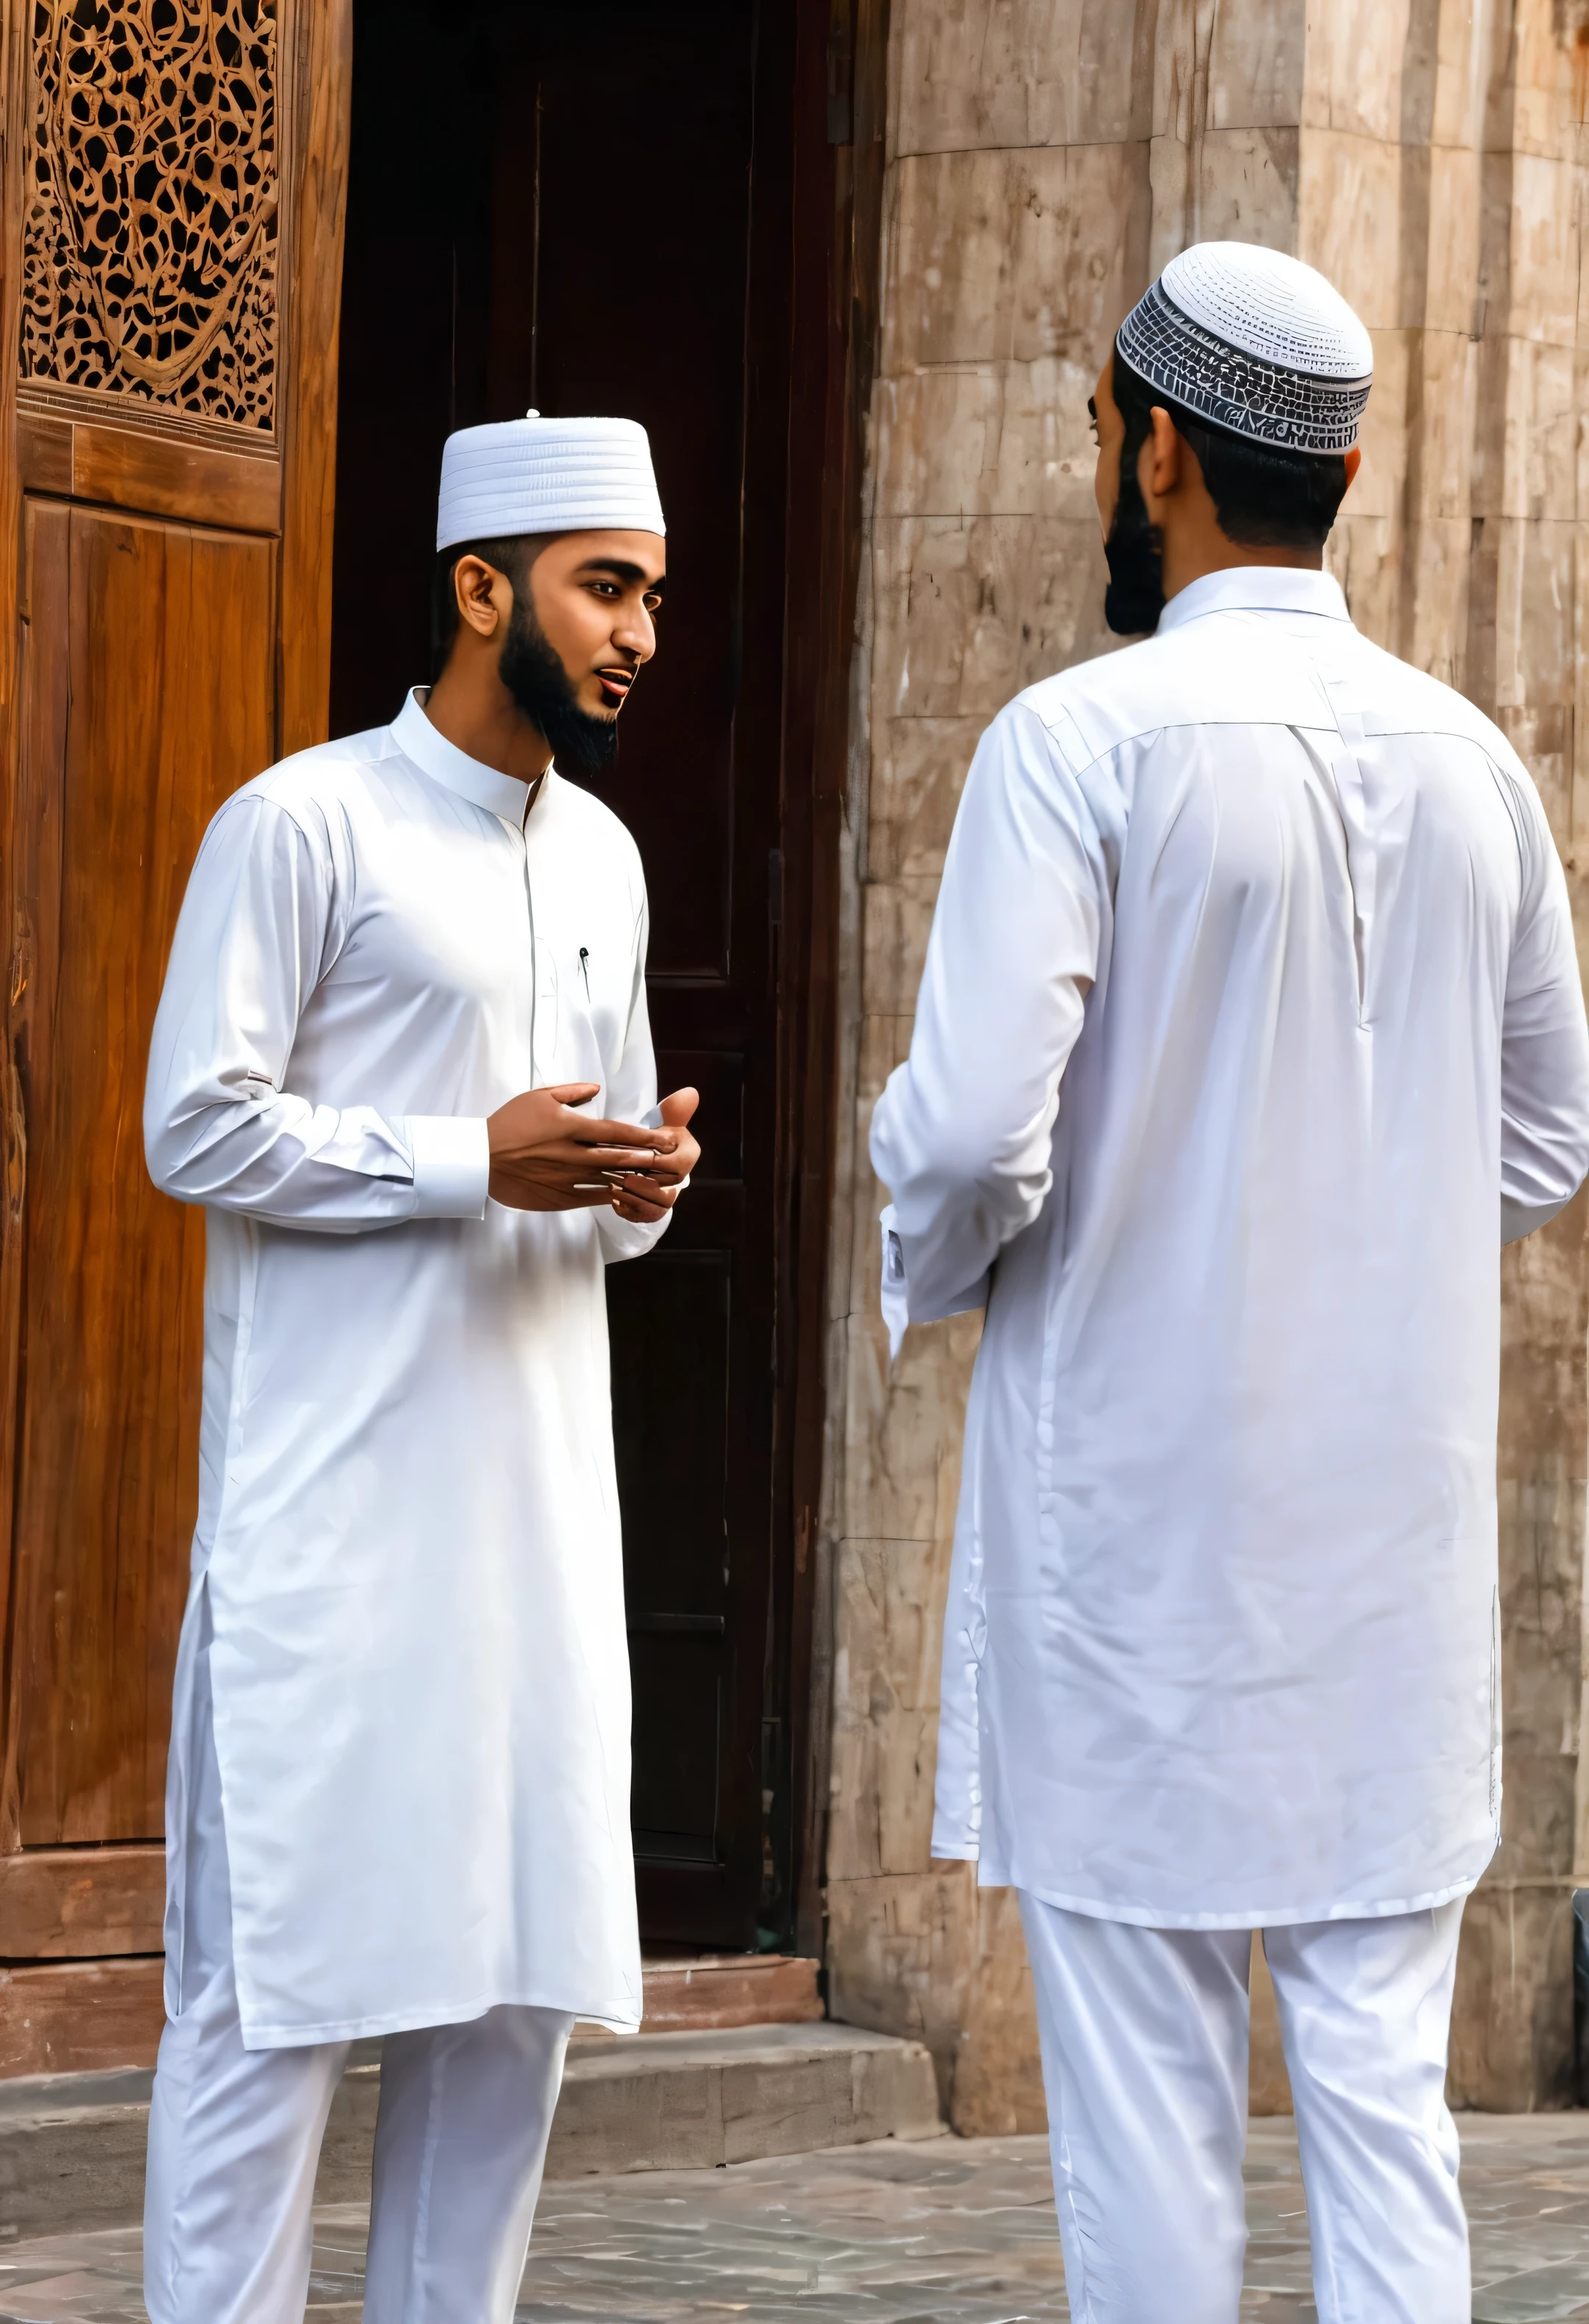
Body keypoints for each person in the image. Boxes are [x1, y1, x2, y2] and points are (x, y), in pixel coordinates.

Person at [870, 241, 1589, 2323]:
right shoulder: (1478, 765)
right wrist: (1360, 1231)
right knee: (1386, 2122)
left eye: (1104, 430)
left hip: (1139, 1571)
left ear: (1162, 451)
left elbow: (976, 1133)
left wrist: (932, 1245)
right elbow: (1544, 1130)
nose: (1106, 462)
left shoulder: (1076, 746)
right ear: (1346, 464)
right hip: (1387, 1574)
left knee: (1148, 2136)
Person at [141, 412, 699, 2324]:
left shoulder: (610, 858)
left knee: (511, 2011)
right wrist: (475, 1159)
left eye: (650, 595)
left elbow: (598, 1196)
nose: (638, 632)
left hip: (535, 1553)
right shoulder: (303, 824)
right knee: (269, 2010)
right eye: (603, 587)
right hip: (335, 1545)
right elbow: (192, 1129)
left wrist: (639, 1179)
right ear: (482, 589)